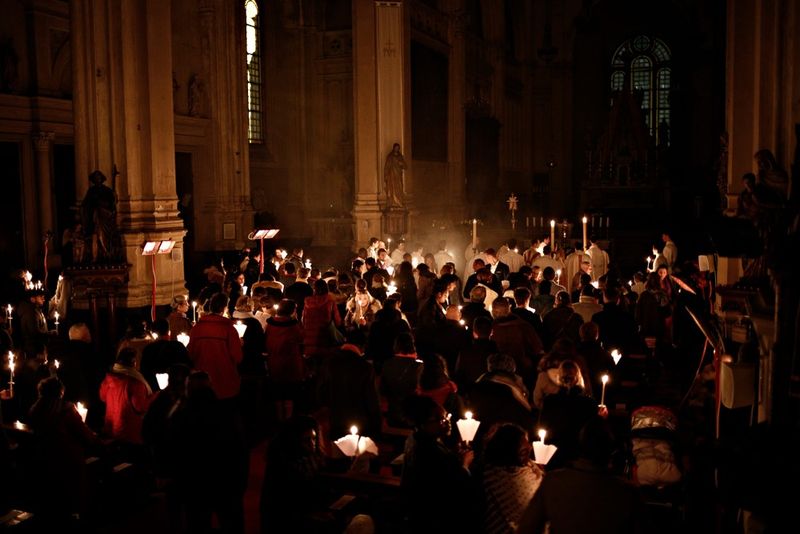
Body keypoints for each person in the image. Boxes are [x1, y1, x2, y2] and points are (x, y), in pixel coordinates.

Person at [517, 416, 643, 533]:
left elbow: (527, 527)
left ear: (580, 445)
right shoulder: (626, 492)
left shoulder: (553, 481)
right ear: (612, 452)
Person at [481, 423, 544, 534]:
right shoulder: (490, 476)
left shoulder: (532, 469)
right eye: (523, 450)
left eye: (528, 444)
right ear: (507, 448)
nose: (529, 447)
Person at [186, 292, 243, 404]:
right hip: (226, 382)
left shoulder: (197, 328)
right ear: (225, 308)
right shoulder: (229, 329)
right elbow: (238, 357)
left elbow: (191, 354)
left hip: (203, 383)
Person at [80, 169, 119, 262]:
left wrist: (109, 202)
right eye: (95, 178)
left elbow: (112, 203)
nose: (97, 179)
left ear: (101, 179)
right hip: (94, 217)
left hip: (105, 216)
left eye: (99, 177)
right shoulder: (91, 191)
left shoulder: (107, 190)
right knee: (95, 234)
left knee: (103, 232)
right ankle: (96, 255)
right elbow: (85, 204)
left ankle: (105, 251)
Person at [384, 142, 407, 208]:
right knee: (392, 188)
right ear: (393, 148)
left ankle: (399, 202)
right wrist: (385, 176)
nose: (396, 149)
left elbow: (405, 166)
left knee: (399, 188)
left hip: (398, 175)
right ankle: (392, 202)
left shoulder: (400, 157)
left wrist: (401, 164)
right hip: (392, 176)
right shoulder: (390, 157)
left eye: (398, 148)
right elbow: (386, 167)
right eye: (395, 147)